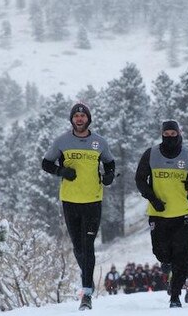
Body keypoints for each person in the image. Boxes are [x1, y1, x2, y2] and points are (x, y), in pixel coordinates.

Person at [41, 102, 115, 310]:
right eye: (76, 116)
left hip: (93, 200)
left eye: (83, 116)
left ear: (88, 119)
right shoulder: (62, 141)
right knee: (78, 247)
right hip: (70, 200)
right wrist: (61, 172)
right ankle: (87, 276)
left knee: (88, 246)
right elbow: (46, 163)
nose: (80, 119)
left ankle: (87, 294)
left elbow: (110, 163)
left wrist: (108, 176)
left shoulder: (99, 142)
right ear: (72, 120)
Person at [135, 120, 188, 308]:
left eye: (172, 134)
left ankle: (175, 296)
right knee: (161, 253)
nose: (169, 137)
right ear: (161, 134)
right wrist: (152, 198)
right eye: (166, 134)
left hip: (183, 214)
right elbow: (140, 179)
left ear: (179, 134)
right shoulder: (151, 154)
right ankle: (165, 263)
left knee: (181, 257)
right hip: (158, 214)